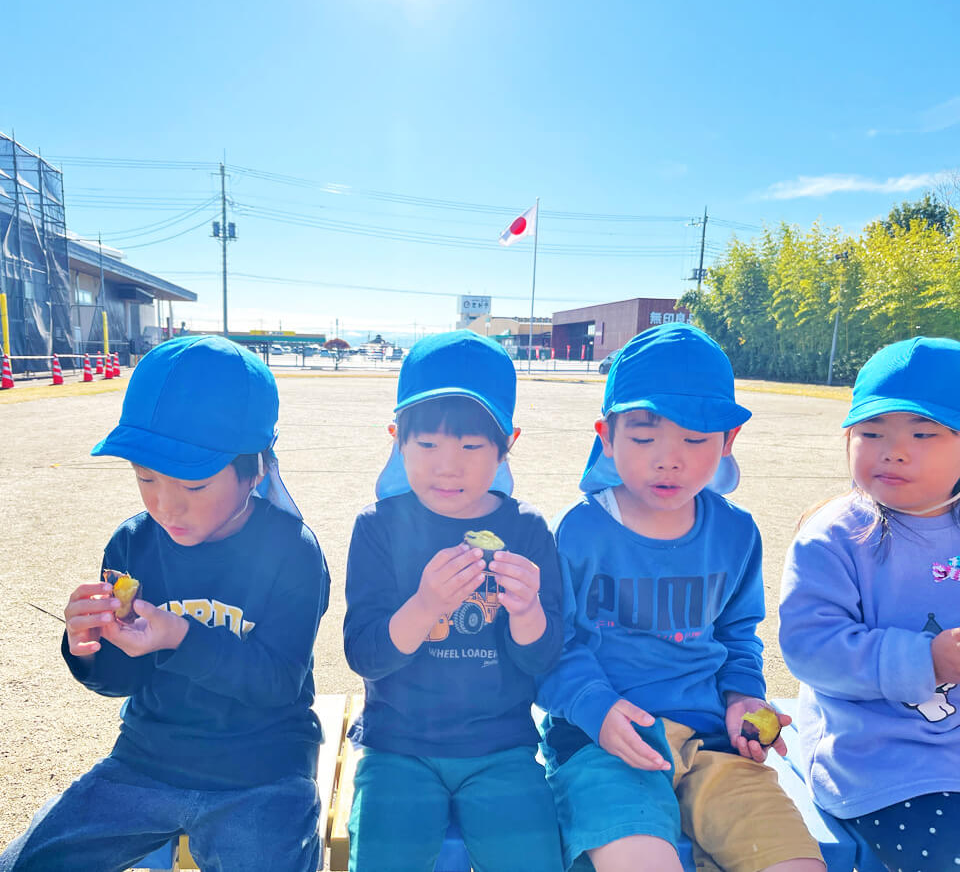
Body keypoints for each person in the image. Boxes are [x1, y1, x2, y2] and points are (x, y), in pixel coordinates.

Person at [0, 335, 330, 872]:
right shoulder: (133, 544)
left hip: (262, 772)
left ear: (256, 468)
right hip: (146, 762)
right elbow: (121, 680)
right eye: (145, 477)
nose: (165, 505)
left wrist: (180, 637)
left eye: (194, 486)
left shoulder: (291, 552)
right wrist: (86, 648)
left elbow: (277, 684)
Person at [537, 323, 824, 872]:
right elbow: (551, 646)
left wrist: (744, 696)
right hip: (605, 746)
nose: (669, 460)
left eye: (695, 440)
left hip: (715, 744)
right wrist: (595, 709)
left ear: (728, 441)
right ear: (606, 435)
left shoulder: (736, 533)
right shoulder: (577, 532)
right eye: (644, 438)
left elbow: (738, 635)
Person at [343, 329, 565, 872]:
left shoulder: (527, 529)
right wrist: (424, 605)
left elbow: (542, 659)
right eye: (427, 445)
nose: (448, 465)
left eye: (470, 447)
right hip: (397, 747)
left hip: (502, 748)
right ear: (397, 438)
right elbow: (364, 654)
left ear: (507, 442)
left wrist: (528, 611)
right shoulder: (378, 528)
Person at [780, 336, 960, 871]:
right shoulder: (835, 535)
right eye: (871, 432)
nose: (893, 450)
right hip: (880, 759)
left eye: (923, 433)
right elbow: (810, 647)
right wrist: (927, 660)